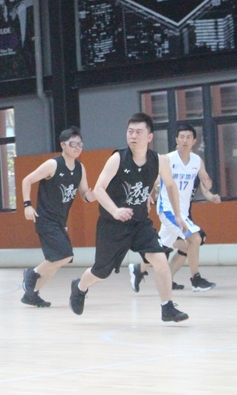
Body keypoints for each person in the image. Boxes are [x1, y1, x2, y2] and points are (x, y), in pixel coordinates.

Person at [68, 112, 190, 322]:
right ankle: (79, 287)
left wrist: (178, 216)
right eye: (130, 131)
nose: (133, 136)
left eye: (138, 132)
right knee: (101, 272)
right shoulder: (117, 159)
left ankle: (167, 307)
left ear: (149, 137)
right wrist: (115, 211)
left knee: (160, 259)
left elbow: (170, 185)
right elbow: (99, 189)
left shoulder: (159, 160)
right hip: (112, 225)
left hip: (140, 223)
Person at [128, 124, 220, 293]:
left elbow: (204, 181)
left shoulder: (197, 161)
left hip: (182, 211)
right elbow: (153, 178)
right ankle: (196, 280)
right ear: (176, 139)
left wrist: (210, 190)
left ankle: (138, 269)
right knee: (195, 239)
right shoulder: (167, 159)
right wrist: (147, 196)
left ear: (194, 141)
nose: (185, 140)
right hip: (168, 210)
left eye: (188, 137)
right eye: (181, 137)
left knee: (162, 248)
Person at [19, 126, 95, 308]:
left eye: (80, 144)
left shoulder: (80, 168)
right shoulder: (53, 165)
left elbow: (84, 193)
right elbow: (27, 180)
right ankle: (32, 273)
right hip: (45, 218)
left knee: (56, 261)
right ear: (63, 145)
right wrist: (27, 205)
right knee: (65, 255)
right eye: (73, 144)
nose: (77, 148)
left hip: (60, 220)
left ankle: (32, 294)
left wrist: (91, 196)